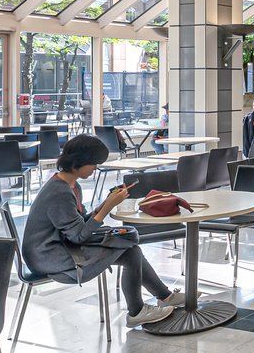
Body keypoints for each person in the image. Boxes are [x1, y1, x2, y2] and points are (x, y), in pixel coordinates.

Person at [22, 134, 179, 326]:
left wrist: (104, 204)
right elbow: (78, 236)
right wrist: (107, 207)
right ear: (78, 162)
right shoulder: (59, 192)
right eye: (93, 163)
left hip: (59, 247)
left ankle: (162, 298)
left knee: (131, 251)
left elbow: (79, 223)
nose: (95, 168)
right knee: (131, 251)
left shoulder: (71, 185)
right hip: (48, 257)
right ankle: (141, 309)